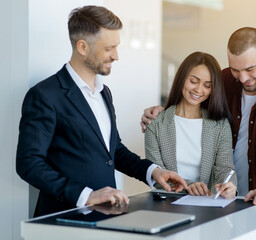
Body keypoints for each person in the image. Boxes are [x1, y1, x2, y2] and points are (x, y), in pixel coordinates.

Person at [16, 5, 187, 217]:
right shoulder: (45, 95)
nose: (116, 56)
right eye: (108, 48)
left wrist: (153, 171)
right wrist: (85, 196)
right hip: (63, 220)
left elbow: (113, 150)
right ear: (82, 47)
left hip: (105, 219)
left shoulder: (104, 93)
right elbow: (28, 163)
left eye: (116, 47)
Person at [141, 27, 256, 206]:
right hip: (231, 200)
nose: (242, 78)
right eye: (235, 69)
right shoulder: (224, 81)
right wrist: (161, 112)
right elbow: (192, 103)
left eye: (250, 69)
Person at [145, 52, 237, 198]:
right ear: (182, 78)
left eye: (207, 85)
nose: (199, 90)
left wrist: (229, 186)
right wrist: (187, 185)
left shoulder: (220, 124)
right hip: (167, 205)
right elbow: (156, 173)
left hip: (208, 205)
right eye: (194, 81)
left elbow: (224, 167)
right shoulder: (155, 123)